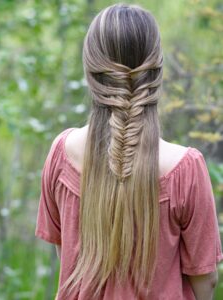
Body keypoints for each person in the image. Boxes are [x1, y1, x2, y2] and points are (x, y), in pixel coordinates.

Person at [35, 3, 223, 299]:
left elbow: (67, 255)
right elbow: (205, 281)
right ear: (157, 72)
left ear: (90, 71)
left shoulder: (62, 154)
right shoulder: (186, 169)